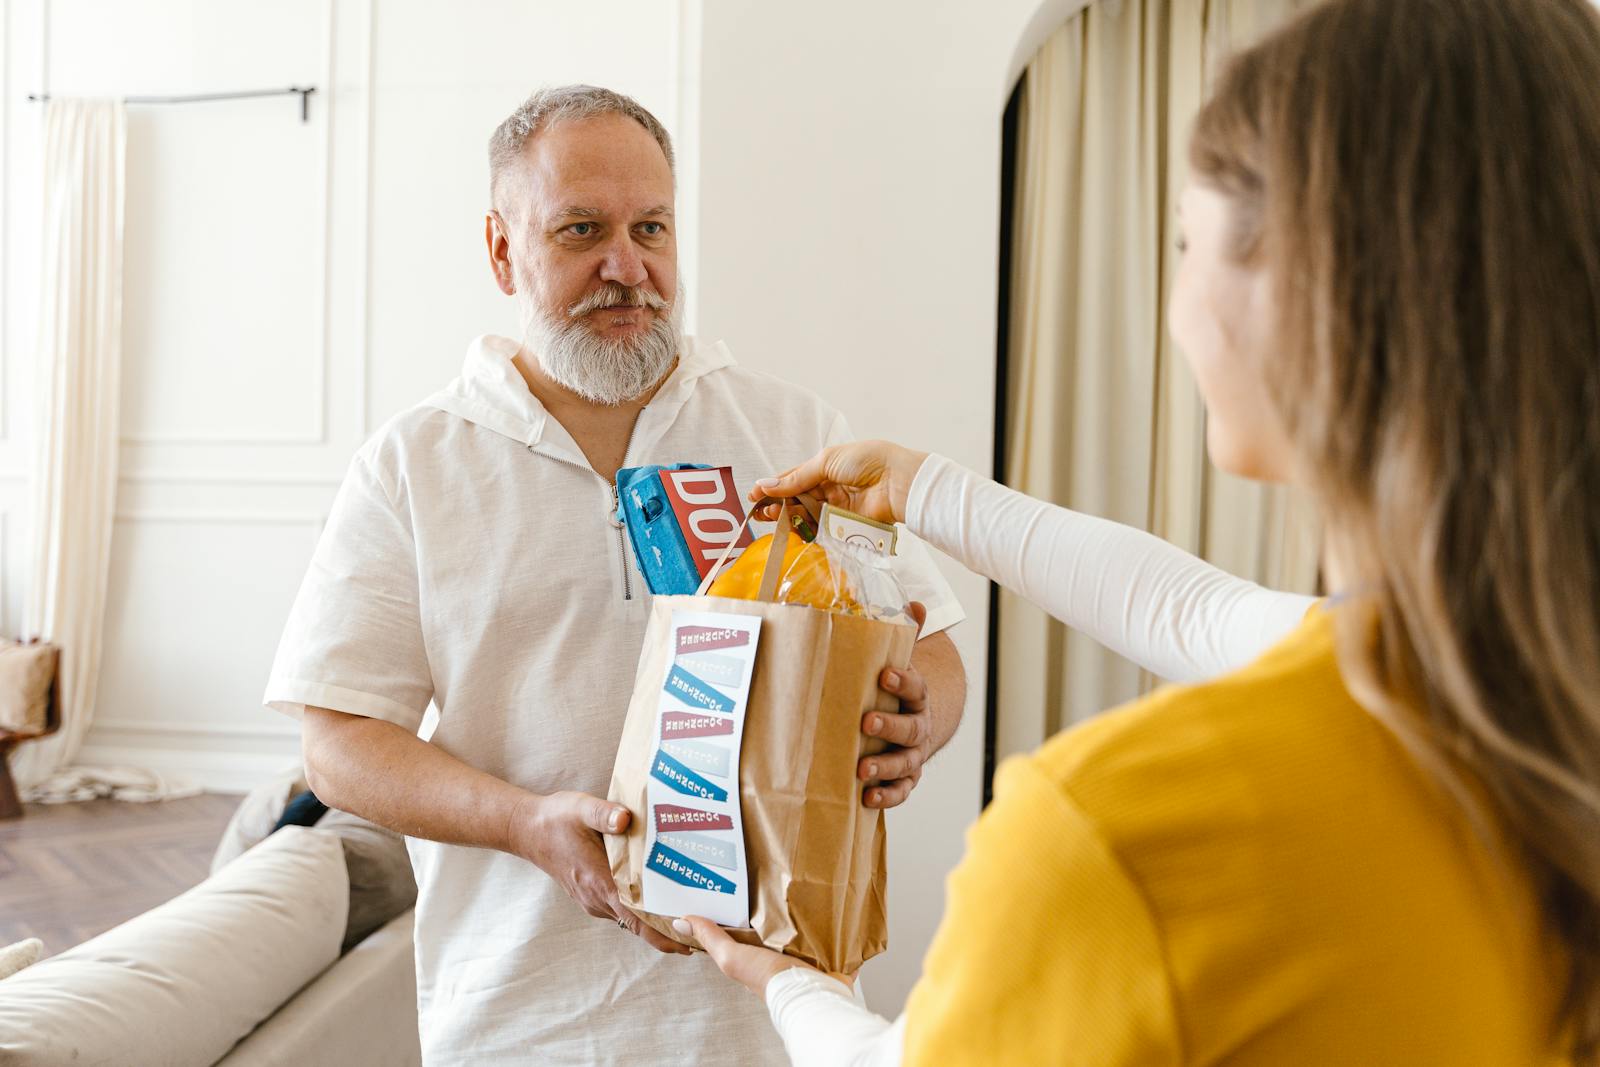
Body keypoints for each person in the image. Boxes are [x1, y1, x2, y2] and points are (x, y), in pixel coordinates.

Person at [682, 1, 1600, 1063]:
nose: (1172, 301)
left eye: (1183, 240)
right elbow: (1197, 610)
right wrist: (924, 486)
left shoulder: (1114, 837)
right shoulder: (1528, 712)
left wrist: (798, 990)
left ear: (1309, 292)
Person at [263, 85, 967, 1066]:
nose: (625, 266)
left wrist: (913, 722)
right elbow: (336, 739)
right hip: (517, 1020)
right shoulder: (414, 462)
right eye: (581, 230)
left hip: (774, 1011)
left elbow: (928, 644)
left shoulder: (796, 435)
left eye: (652, 228)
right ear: (502, 249)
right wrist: (522, 823)